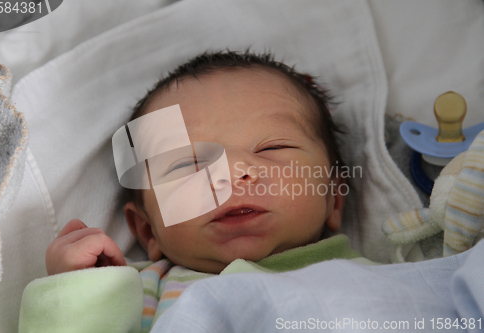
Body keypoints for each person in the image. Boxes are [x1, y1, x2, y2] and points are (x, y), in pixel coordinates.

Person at [20, 50, 372, 332]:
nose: (233, 172)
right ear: (147, 230)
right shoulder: (133, 294)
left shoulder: (378, 280)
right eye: (187, 165)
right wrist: (77, 294)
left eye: (271, 148)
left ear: (334, 197)